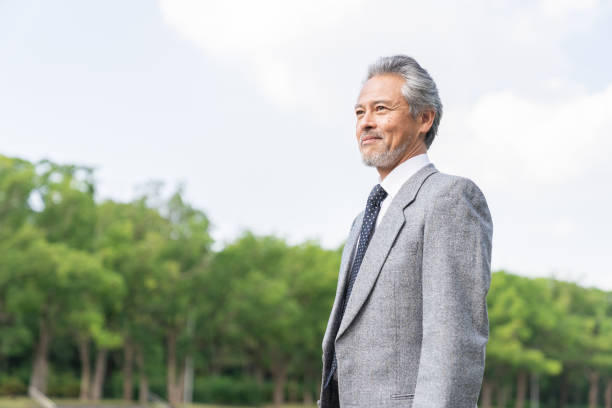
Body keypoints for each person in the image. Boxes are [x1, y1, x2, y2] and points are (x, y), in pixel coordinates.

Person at [317, 55, 493, 408]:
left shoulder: (448, 198)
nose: (366, 123)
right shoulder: (362, 219)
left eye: (381, 109)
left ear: (424, 118)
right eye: (359, 112)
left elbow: (452, 342)